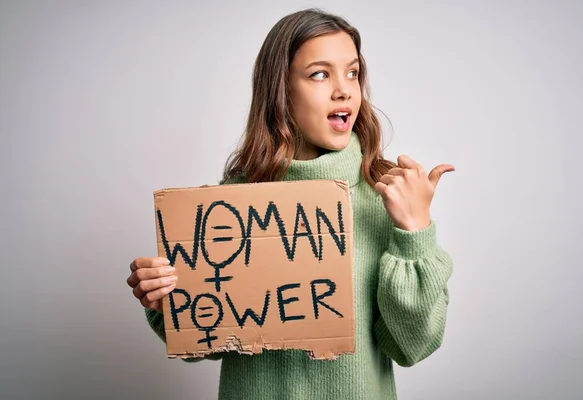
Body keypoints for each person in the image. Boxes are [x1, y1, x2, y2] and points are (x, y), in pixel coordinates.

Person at [126, 8, 454, 400]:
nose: (344, 89)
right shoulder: (234, 203)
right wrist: (169, 300)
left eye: (352, 73)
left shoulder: (385, 196)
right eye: (320, 74)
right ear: (281, 88)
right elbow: (209, 341)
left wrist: (414, 233)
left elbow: (411, 346)